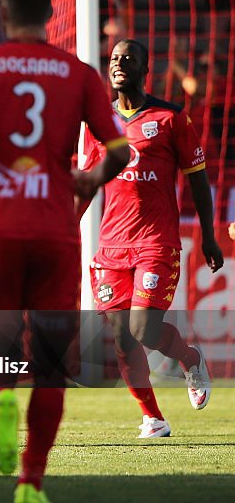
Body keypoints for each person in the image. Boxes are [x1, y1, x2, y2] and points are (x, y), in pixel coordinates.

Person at [0, 0, 129, 503]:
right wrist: (92, 178)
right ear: (50, 13)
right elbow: (118, 149)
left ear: (3, 13)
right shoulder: (78, 73)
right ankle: (32, 482)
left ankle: (2, 398)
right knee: (51, 365)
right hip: (55, 230)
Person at [81, 39, 223, 438]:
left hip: (155, 242)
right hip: (111, 246)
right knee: (122, 338)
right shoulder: (98, 124)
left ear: (146, 68)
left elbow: (198, 181)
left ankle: (190, 358)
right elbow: (89, 185)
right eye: (113, 59)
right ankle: (153, 418)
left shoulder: (171, 118)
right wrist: (65, 229)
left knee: (143, 328)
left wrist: (209, 236)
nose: (119, 64)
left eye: (128, 58)